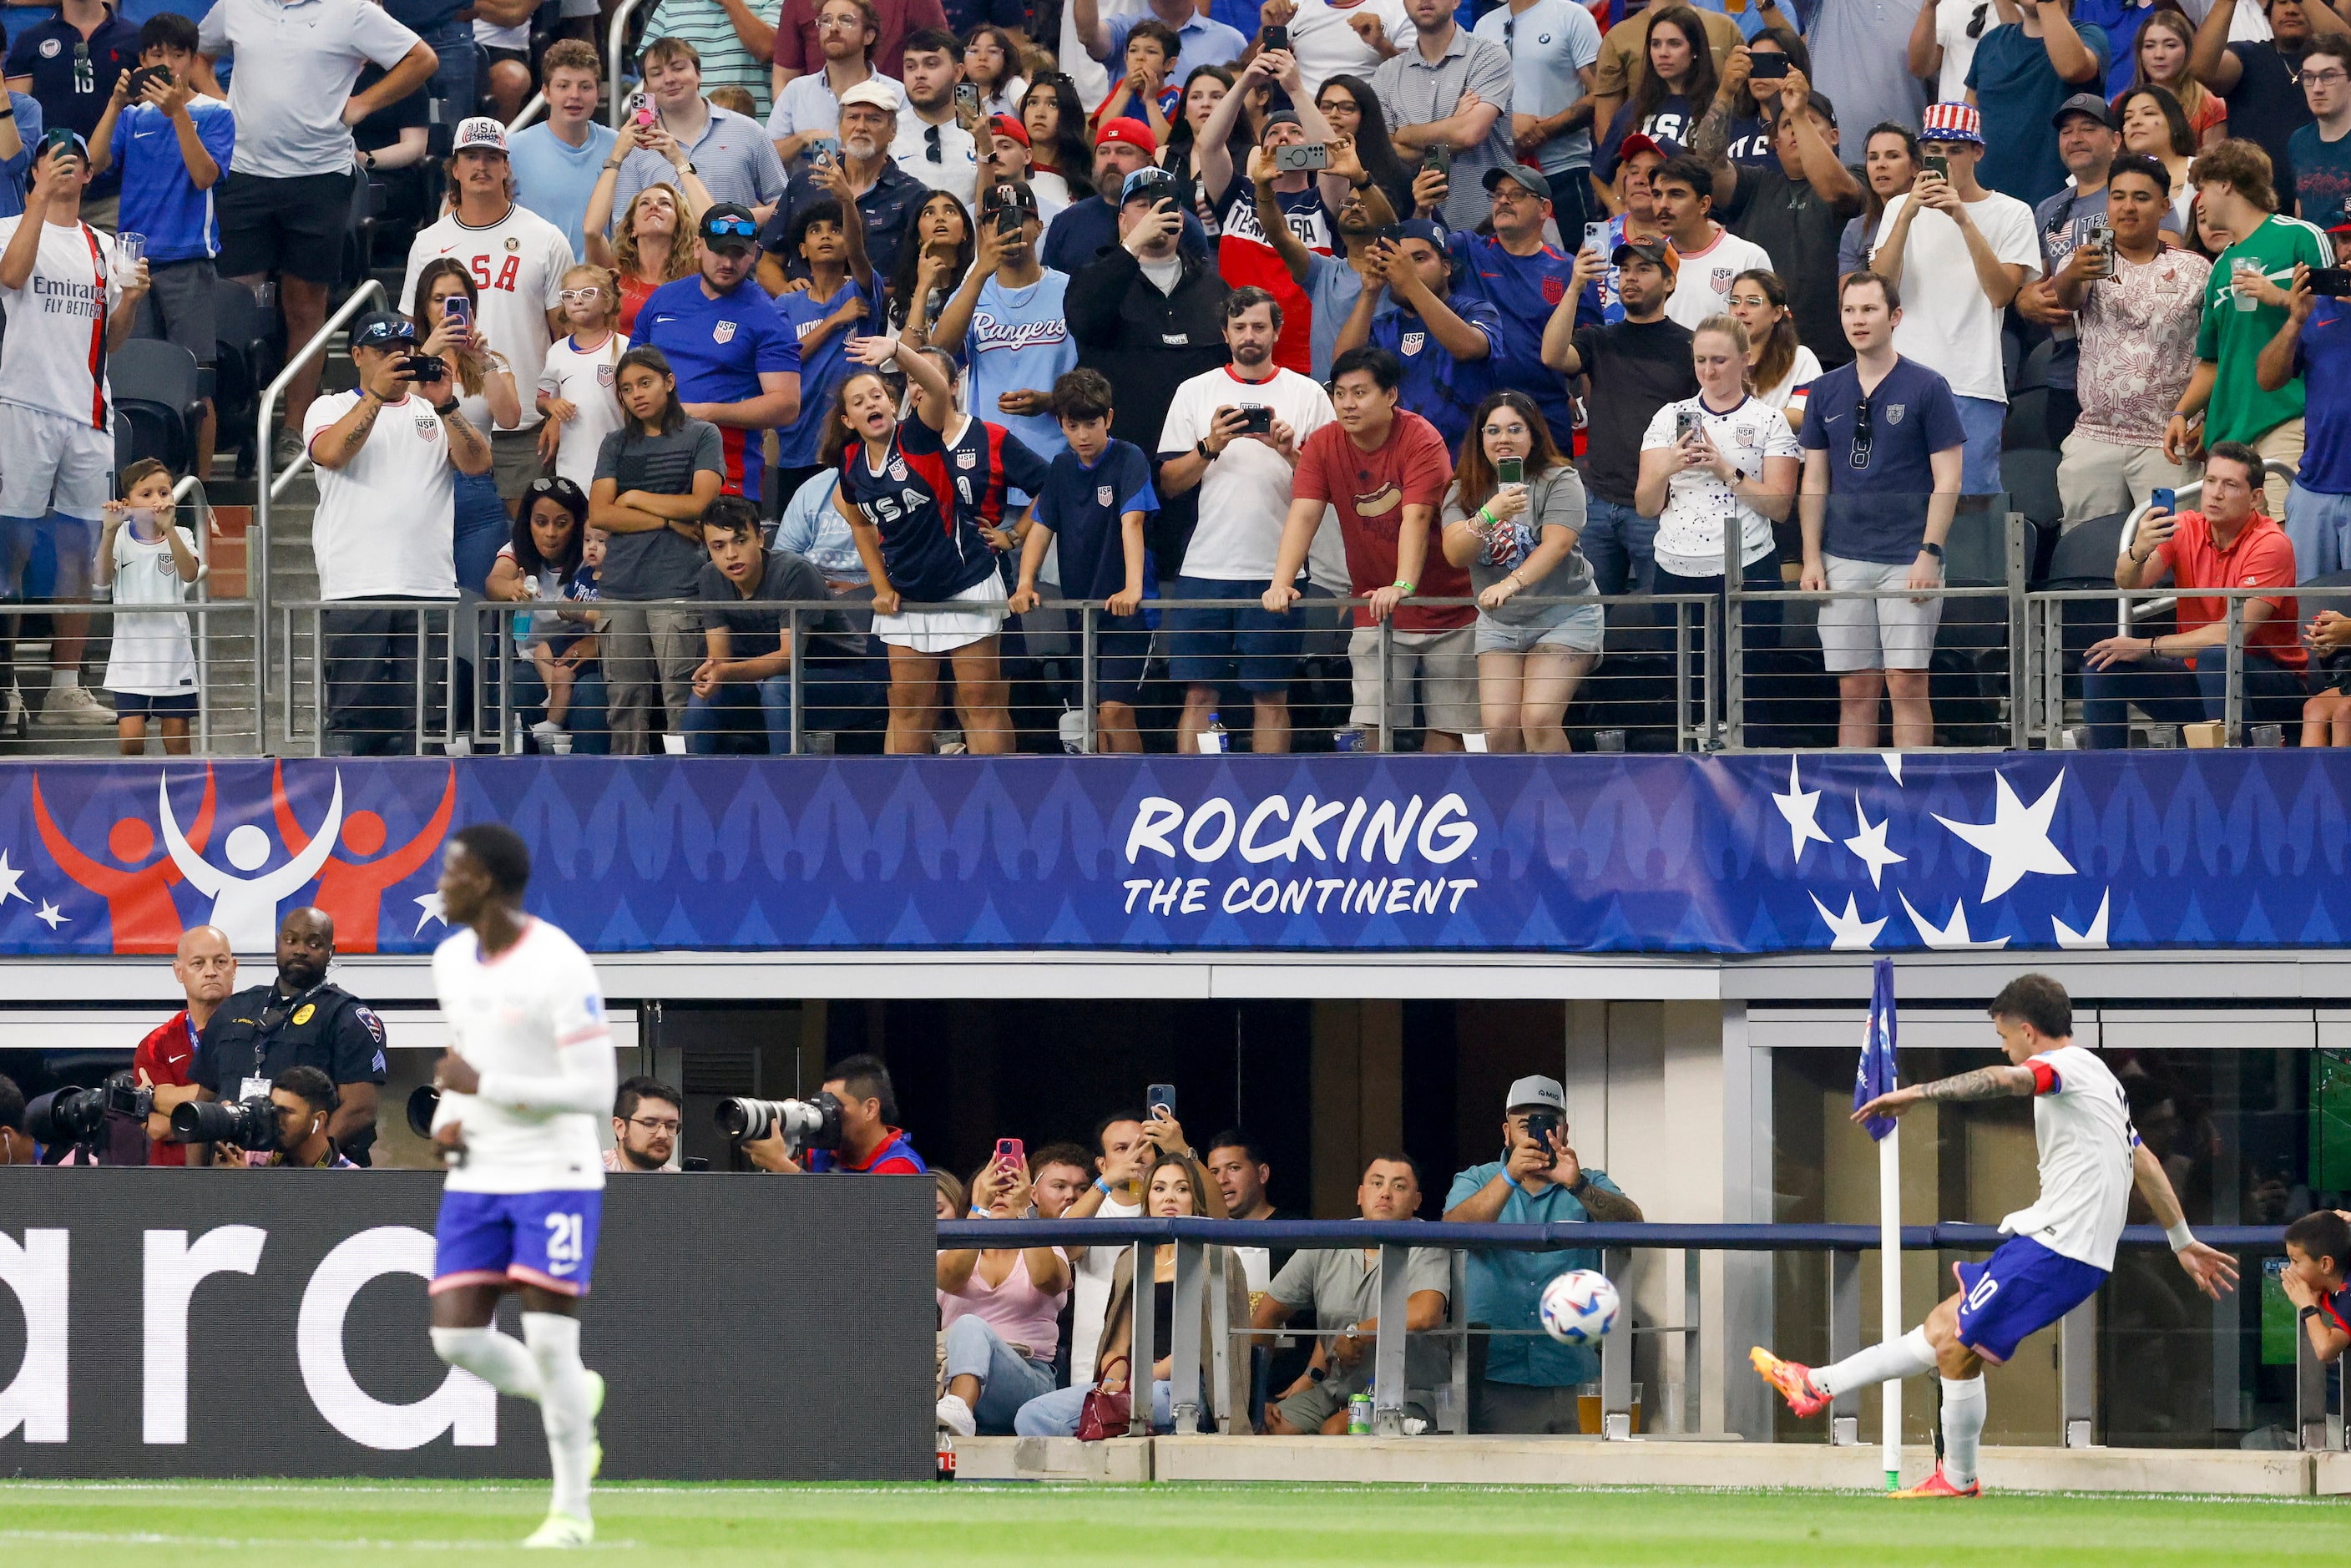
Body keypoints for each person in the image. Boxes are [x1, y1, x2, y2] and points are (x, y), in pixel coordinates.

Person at [1753, 974, 2236, 1500]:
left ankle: (1957, 1479)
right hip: (2056, 1244)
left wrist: (1915, 1093)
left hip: (2058, 1248)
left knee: (1958, 1349)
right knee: (1942, 1327)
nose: (2004, 1049)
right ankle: (1818, 1383)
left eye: (2005, 1037)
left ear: (2028, 1031)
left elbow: (2006, 1081)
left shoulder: (2060, 1068)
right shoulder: (2101, 1077)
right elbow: (2141, 1159)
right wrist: (2182, 1239)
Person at [423, 825, 614, 1549]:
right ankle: (569, 1396)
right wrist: (453, 1113)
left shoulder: (559, 965)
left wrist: (486, 1087)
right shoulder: (449, 961)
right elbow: (467, 1061)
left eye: (453, 871)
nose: (440, 883)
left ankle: (571, 1513)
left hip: (554, 1172)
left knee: (550, 1342)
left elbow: (597, 1090)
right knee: (455, 1340)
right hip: (479, 1169)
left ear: (489, 884)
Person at [197, 0, 432, 467]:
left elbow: (422, 58)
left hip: (320, 176)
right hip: (244, 173)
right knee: (235, 306)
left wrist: (364, 103)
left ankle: (295, 426)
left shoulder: (353, 9)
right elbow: (197, 55)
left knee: (305, 306)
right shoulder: (235, 6)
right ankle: (239, 421)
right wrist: (219, 103)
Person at [0, 133, 145, 729]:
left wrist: (131, 298)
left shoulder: (106, 247)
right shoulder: (9, 225)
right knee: (11, 547)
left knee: (80, 553)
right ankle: (5, 684)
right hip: (21, 405)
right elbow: (12, 277)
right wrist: (38, 199)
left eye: (75, 160)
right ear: (34, 169)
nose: (65, 166)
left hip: (89, 414)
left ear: (89, 176)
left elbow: (111, 340)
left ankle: (65, 687)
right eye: (52, 157)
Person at [1261, 346, 1470, 751]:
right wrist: (1281, 582)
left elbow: (1419, 518)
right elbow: (1304, 514)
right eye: (1339, 394)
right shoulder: (1322, 445)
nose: (1347, 404)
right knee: (1370, 726)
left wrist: (1404, 585)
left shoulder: (1422, 438)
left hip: (1450, 605)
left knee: (1450, 728)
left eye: (1360, 393)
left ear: (1391, 395)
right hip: (1374, 606)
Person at [305, 311, 488, 755]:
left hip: (429, 586)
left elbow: (478, 463)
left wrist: (447, 403)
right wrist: (376, 397)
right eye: (385, 352)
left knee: (426, 725)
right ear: (357, 356)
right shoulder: (328, 407)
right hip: (355, 586)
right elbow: (330, 453)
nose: (398, 359)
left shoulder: (432, 409)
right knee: (354, 721)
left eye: (405, 350)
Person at [1157, 286, 1332, 753]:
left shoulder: (1308, 393)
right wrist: (1210, 446)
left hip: (1279, 570)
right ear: (1224, 333)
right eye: (1240, 327)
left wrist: (1289, 453)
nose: (1249, 336)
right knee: (1198, 694)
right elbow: (1170, 484)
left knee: (1271, 696)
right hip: (1204, 566)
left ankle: (1267, 800)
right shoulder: (1194, 391)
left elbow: (1332, 486)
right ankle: (1191, 798)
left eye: (1259, 326)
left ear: (1277, 330)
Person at [1798, 271, 1966, 751]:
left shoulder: (1928, 386)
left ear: (1894, 317)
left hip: (1907, 557)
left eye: (1869, 309)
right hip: (1841, 556)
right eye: (1849, 310)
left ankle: (1911, 795)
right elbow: (1814, 480)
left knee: (1907, 683)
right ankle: (1858, 798)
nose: (1858, 320)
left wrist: (1929, 553)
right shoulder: (1824, 390)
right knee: (1854, 690)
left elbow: (1948, 480)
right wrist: (1812, 557)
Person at [832, 331, 1014, 753]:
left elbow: (934, 386)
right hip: (909, 595)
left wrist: (896, 350)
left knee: (980, 704)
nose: (871, 405)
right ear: (848, 420)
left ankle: (1003, 803)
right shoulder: (849, 463)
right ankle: (905, 809)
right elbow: (861, 525)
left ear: (893, 403)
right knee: (909, 710)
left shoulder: (916, 437)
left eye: (877, 395)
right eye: (858, 402)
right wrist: (880, 587)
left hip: (965, 582)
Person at [1442, 1075, 1639, 1434]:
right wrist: (1509, 1176)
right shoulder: (1477, 1179)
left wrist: (1576, 1185)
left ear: (1564, 1131)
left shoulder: (1589, 1181)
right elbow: (1453, 1230)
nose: (1537, 1135)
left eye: (1548, 1125)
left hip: (1575, 1371)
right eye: (1525, 1125)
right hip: (1497, 1374)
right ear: (1507, 1133)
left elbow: (1633, 1225)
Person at [2081, 441, 2306, 749]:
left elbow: (2230, 635)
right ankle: (2106, 780)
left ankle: (2236, 769)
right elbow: (2129, 582)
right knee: (2104, 663)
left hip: (2273, 684)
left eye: (2230, 485)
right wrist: (2139, 550)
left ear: (2255, 498)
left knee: (2216, 658)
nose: (2215, 493)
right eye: (2211, 481)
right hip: (2200, 674)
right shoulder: (2185, 527)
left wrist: (2148, 646)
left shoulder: (2270, 543)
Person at [1014, 1147, 1249, 1438]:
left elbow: (1205, 1346)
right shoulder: (1131, 1259)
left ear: (1195, 1199)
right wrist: (1114, 1380)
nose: (1170, 1197)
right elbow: (1117, 1345)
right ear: (1148, 1199)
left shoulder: (1217, 1257)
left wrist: (1139, 1380)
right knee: (1033, 1416)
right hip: (1136, 1382)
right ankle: (1099, 1481)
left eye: (1182, 1189)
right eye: (1160, 1188)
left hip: (1192, 1387)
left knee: (1132, 1405)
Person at [1868, 102, 2039, 503]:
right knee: (1899, 501)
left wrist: (1963, 219)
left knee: (1972, 507)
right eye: (1934, 152)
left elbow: (2001, 294)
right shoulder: (1897, 207)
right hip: (1900, 379)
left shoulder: (2012, 212)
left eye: (1955, 150)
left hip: (1972, 381)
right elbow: (1880, 289)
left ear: (1977, 152)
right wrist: (1908, 213)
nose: (1944, 160)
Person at [405, 118, 575, 518]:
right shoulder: (427, 243)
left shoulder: (545, 237)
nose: (481, 166)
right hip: (447, 418)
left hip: (525, 425)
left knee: (527, 549)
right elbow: (414, 332)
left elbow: (568, 337)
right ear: (456, 169)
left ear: (506, 167)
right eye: (471, 156)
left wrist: (559, 411)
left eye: (491, 156)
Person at [87, 14, 233, 478]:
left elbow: (205, 176)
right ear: (142, 61)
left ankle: (202, 489)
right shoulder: (132, 118)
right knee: (131, 379)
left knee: (197, 380)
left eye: (176, 55)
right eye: (156, 56)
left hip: (188, 260)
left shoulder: (215, 113)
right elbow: (93, 163)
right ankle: (140, 486)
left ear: (192, 60)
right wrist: (114, 104)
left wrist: (179, 114)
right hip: (132, 265)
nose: (166, 64)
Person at [2166, 138, 2334, 523]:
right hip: (2229, 434)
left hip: (2288, 419)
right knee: (2235, 554)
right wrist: (2182, 411)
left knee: (2283, 538)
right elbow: (2213, 360)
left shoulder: (2301, 236)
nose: (2199, 201)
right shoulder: (2221, 266)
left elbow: (2335, 323)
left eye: (2202, 187)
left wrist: (2277, 297)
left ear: (2225, 181)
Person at [1637, 314, 1800, 711]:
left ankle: (1749, 765)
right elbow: (1645, 505)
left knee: (1749, 689)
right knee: (1688, 693)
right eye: (1701, 360)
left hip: (1747, 566)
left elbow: (1780, 506)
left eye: (1720, 361)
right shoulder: (1667, 417)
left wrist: (1725, 469)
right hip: (1677, 569)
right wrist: (1668, 466)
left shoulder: (1768, 420)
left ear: (1745, 360)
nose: (1708, 371)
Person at [1066, 166, 1232, 524]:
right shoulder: (1094, 276)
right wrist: (1131, 249)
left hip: (1200, 471)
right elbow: (1083, 321)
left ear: (1183, 220)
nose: (1155, 212)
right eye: (1143, 205)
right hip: (1119, 470)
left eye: (1164, 205)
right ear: (1123, 221)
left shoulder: (1215, 289)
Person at [2050, 152, 2207, 526]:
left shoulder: (2195, 269)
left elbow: (2215, 354)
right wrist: (2073, 273)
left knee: (2170, 552)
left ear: (2164, 206)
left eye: (2141, 197)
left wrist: (2207, 418)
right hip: (2096, 438)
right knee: (2087, 553)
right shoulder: (2085, 260)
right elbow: (2067, 299)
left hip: (2166, 443)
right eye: (2117, 196)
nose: (2128, 206)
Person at [1438, 390, 1600, 754]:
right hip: (1500, 624)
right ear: (1480, 439)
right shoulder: (1462, 490)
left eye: (1515, 429)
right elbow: (1454, 552)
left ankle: (1561, 806)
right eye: (1492, 431)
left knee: (1539, 719)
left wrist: (1510, 583)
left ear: (1534, 435)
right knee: (1499, 730)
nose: (1504, 439)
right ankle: (1512, 809)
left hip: (1564, 613)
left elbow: (1556, 545)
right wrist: (1489, 513)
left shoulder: (1560, 479)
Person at [1004, 368, 1155, 751]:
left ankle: (1134, 797)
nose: (1083, 436)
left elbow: (1132, 523)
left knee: (1115, 711)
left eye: (1091, 424)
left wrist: (1133, 588)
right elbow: (1040, 528)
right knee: (1092, 716)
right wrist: (1025, 582)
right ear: (1061, 424)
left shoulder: (1129, 458)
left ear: (1108, 418)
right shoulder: (1060, 467)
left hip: (1128, 615)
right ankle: (1108, 802)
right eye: (1074, 426)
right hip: (1082, 613)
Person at [1251, 1152, 1450, 1435]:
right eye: (1377, 1183)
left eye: (1399, 1186)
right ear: (1360, 1194)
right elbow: (1265, 1316)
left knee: (1338, 1430)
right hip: (1333, 1392)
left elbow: (1425, 1313)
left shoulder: (1429, 1242)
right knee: (1265, 1426)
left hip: (1409, 1396)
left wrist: (1357, 1333)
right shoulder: (1328, 1240)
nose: (1385, 1194)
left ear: (1416, 1201)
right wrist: (1254, 1398)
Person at [1541, 239, 1697, 596]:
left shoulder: (1691, 346)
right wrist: (1575, 287)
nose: (1630, 278)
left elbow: (1697, 425)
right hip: (1598, 501)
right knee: (1591, 619)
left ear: (1670, 282)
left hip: (1661, 505)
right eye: (1624, 269)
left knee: (1667, 617)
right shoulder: (1599, 339)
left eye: (1643, 269)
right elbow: (1552, 355)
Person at [591, 346, 726, 752]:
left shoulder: (703, 434)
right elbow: (600, 514)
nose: (636, 394)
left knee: (681, 702)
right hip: (620, 589)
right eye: (627, 389)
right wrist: (668, 520)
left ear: (669, 383)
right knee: (624, 705)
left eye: (645, 383)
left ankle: (685, 789)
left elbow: (702, 505)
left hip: (677, 585)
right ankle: (627, 794)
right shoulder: (614, 444)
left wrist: (632, 497)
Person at [1189, 55, 1348, 377]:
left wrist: (1296, 89)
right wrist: (1246, 81)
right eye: (1274, 134)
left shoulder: (1324, 203)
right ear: (1261, 151)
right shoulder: (1237, 194)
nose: (1284, 139)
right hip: (1236, 353)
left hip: (1305, 360)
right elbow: (1207, 144)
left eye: (1295, 132)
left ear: (1312, 148)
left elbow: (1335, 155)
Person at [191, 907, 389, 1163]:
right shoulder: (233, 1009)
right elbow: (203, 1105)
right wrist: (194, 1182)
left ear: (331, 951)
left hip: (314, 1185)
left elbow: (359, 1111)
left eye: (314, 943)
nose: (300, 950)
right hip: (232, 1173)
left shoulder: (348, 1017)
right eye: (291, 940)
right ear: (278, 944)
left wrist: (292, 1168)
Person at [1698, 58, 1860, 367]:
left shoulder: (1857, 177)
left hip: (1836, 355)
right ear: (1774, 142)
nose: (1799, 130)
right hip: (1757, 354)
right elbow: (1708, 167)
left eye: (1812, 122)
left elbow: (1835, 191)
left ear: (1835, 136)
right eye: (1787, 125)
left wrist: (1796, 113)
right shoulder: (1755, 184)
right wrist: (1725, 93)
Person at [640, 204, 805, 504]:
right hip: (654, 466)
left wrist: (705, 413)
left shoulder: (769, 315)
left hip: (727, 475)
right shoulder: (663, 298)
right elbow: (630, 374)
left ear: (754, 253)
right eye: (719, 251)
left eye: (738, 253)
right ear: (697, 247)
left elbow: (786, 405)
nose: (728, 262)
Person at [685, 493, 867, 751]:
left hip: (842, 675)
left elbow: (788, 657)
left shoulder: (794, 572)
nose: (731, 554)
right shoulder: (710, 577)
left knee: (778, 687)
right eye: (718, 546)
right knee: (705, 694)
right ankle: (687, 780)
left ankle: (786, 779)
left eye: (740, 540)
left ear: (760, 538)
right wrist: (714, 672)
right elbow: (720, 659)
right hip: (766, 677)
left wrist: (726, 672)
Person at [936, 180, 1077, 464]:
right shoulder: (971, 293)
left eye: (1017, 217)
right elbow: (939, 354)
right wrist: (979, 272)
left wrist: (1052, 400)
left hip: (1058, 458)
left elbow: (1096, 377)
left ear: (1038, 227)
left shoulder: (1072, 290)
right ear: (983, 231)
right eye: (996, 220)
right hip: (989, 463)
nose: (1008, 228)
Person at [1333, 217, 1499, 457]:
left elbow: (1468, 348)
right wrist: (1370, 291)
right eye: (1398, 262)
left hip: (1466, 464)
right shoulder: (1385, 325)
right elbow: (1343, 366)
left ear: (1446, 267)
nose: (1406, 269)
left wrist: (1410, 281)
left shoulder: (1475, 310)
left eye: (1419, 259)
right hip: (1398, 465)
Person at [935, 1152, 1074, 1436]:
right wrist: (980, 1207)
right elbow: (949, 1279)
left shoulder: (1049, 1248)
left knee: (970, 1324)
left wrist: (1025, 1211)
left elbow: (1047, 1279)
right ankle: (958, 1407)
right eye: (992, 1187)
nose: (1000, 1193)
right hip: (953, 1374)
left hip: (1029, 1380)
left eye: (1010, 1187)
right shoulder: (949, 1253)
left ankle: (959, 1406)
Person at [413, 260, 525, 597]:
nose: (447, 307)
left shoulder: (492, 360)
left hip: (474, 489)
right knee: (425, 607)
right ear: (424, 306)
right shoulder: (404, 359)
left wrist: (482, 359)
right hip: (417, 489)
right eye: (438, 299)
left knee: (475, 603)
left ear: (470, 306)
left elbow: (510, 419)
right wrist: (426, 353)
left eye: (457, 299)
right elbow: (394, 408)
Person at [770, 79, 932, 286]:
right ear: (840, 126)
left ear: (893, 131)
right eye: (853, 117)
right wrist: (786, 292)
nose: (861, 127)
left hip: (879, 314)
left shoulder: (912, 195)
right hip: (802, 313)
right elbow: (769, 260)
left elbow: (918, 278)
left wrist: (861, 295)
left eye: (874, 119)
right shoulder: (805, 184)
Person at [1372, 0, 1512, 235]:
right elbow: (1384, 153)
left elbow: (1469, 134)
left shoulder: (1488, 55)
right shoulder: (1386, 74)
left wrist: (1405, 134)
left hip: (1488, 229)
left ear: (1457, 1)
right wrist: (1454, 121)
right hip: (1417, 232)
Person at [614, 38, 788, 221]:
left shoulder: (748, 131)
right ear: (646, 86)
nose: (669, 79)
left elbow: (783, 205)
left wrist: (737, 220)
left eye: (678, 68)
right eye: (657, 73)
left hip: (736, 247)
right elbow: (623, 223)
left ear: (698, 74)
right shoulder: (635, 145)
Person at [97, 458, 202, 756]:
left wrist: (169, 531)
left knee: (178, 742)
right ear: (127, 502)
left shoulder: (182, 536)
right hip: (130, 658)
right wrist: (107, 533)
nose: (158, 500)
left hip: (173, 657)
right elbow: (102, 579)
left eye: (164, 492)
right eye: (147, 495)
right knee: (130, 741)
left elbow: (189, 573)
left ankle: (181, 799)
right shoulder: (119, 540)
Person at [488, 478, 604, 751]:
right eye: (541, 522)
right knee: (516, 687)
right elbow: (494, 583)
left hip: (587, 660)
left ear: (578, 523)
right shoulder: (517, 549)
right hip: (532, 661)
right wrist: (511, 587)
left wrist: (597, 645)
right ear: (528, 522)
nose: (550, 533)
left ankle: (594, 781)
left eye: (561, 523)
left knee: (592, 694)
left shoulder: (594, 552)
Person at [2188, 0, 2332, 217]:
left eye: (2299, 2)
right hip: (2255, 211)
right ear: (2268, 13)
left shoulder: (2337, 68)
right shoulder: (2247, 55)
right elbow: (2202, 69)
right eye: (2282, 2)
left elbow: (2345, 48)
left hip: (2328, 206)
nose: (2291, 10)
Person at [5, 0, 139, 230]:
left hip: (112, 197)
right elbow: (17, 125)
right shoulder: (30, 40)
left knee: (106, 265)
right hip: (47, 193)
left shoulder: (135, 39)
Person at [1962, 0, 2110, 208]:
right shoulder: (1992, 41)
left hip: (2057, 207)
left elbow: (2072, 69)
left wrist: (2047, 4)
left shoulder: (2089, 35)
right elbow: (1966, 121)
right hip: (1985, 203)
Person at [1472, 0, 1601, 234]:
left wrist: (1542, 131)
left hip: (1564, 170)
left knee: (1580, 263)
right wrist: (1508, 124)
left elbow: (1601, 95)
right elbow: (1473, 101)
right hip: (1503, 176)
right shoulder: (1484, 26)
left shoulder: (1572, 16)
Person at [2265, 261, 2351, 578]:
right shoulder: (2315, 307)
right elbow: (2267, 379)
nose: (2350, 249)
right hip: (2315, 489)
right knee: (2304, 617)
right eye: (2342, 240)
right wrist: (2294, 321)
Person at [1059, 1110, 1154, 1380]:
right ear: (1101, 1164)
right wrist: (1107, 1181)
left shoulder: (1171, 1205)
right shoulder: (1090, 1207)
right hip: (1092, 1369)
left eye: (1143, 1146)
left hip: (1160, 1369)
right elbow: (1064, 1248)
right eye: (1122, 1148)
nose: (1135, 1155)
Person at [133, 923, 236, 1167]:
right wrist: (224, 1113)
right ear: (179, 972)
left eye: (220, 962)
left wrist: (161, 1098)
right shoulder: (155, 1043)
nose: (210, 972)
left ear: (234, 967)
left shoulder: (257, 1033)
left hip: (240, 1176)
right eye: (198, 963)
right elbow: (155, 1127)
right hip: (170, 1185)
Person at [510, 41, 622, 261]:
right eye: (563, 86)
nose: (575, 95)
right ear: (546, 93)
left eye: (585, 87)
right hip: (535, 285)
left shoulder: (618, 146)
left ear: (598, 93)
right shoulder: (512, 149)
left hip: (598, 285)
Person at [1592, 4, 1713, 196]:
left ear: (1695, 50)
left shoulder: (1717, 107)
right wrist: (1617, 207)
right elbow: (1598, 173)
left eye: (1674, 44)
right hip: (1643, 222)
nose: (1663, 53)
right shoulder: (1633, 107)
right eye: (1656, 44)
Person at [1646, 151, 1772, 331]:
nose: (1663, 204)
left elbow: (1771, 335)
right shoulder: (1648, 260)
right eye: (1657, 195)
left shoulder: (1748, 258)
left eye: (1676, 194)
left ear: (1704, 204)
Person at [743, 1053, 928, 1171]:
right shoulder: (820, 1154)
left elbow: (854, 1223)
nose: (825, 1114)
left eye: (833, 1105)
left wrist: (780, 1165)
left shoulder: (901, 1166)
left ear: (870, 1109)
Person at [538, 265, 631, 494]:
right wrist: (552, 405)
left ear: (607, 302)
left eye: (587, 293)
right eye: (569, 295)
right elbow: (541, 399)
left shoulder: (624, 346)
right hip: (572, 464)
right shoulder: (557, 351)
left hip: (619, 459)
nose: (577, 301)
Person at [766, 0, 890, 171]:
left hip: (877, 195)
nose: (833, 28)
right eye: (826, 20)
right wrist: (801, 139)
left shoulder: (894, 93)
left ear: (868, 36)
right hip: (810, 195)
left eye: (846, 20)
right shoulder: (797, 91)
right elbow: (765, 158)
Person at [591, 180, 709, 336]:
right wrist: (615, 162)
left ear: (679, 225)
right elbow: (591, 231)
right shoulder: (614, 271)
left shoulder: (695, 273)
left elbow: (714, 225)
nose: (654, 207)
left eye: (665, 203)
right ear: (632, 228)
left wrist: (680, 163)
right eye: (644, 203)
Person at [774, 0, 950, 87]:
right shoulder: (797, 2)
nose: (834, 28)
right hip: (816, 127)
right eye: (826, 21)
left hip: (894, 118)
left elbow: (943, 56)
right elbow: (784, 76)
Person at [892, 31, 980, 201]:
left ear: (958, 72)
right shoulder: (888, 133)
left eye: (931, 64)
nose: (919, 74)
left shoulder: (981, 132)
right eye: (910, 67)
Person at [2121, 10, 2226, 150]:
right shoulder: (2123, 104)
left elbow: (2214, 167)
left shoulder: (2210, 106)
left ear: (2189, 50)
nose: (2159, 55)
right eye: (2149, 46)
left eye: (2170, 45)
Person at [1727, 269, 1821, 423]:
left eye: (1753, 302)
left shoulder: (1800, 358)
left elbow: (1803, 415)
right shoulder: (1720, 358)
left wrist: (1744, 419)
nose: (1740, 311)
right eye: (1734, 302)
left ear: (1777, 313)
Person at [1838, 123, 1919, 287]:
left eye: (1893, 156)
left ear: (1916, 168)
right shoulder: (1856, 229)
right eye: (1873, 157)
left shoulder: (1938, 218)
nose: (1880, 165)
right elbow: (1849, 300)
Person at [2292, 38, 2351, 227]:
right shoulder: (2298, 142)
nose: (2317, 88)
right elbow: (2301, 208)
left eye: (2328, 76)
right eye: (2309, 77)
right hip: (2314, 253)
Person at [2281, 1209, 2351, 1363]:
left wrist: (2308, 1307)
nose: (2289, 1270)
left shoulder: (2348, 1294)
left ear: (2325, 1265)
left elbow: (2325, 1350)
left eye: (2296, 1261)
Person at [606, 1076, 683, 1171]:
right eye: (650, 1124)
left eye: (671, 1126)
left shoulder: (682, 1182)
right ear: (620, 1127)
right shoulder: (590, 1176)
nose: (663, 1135)